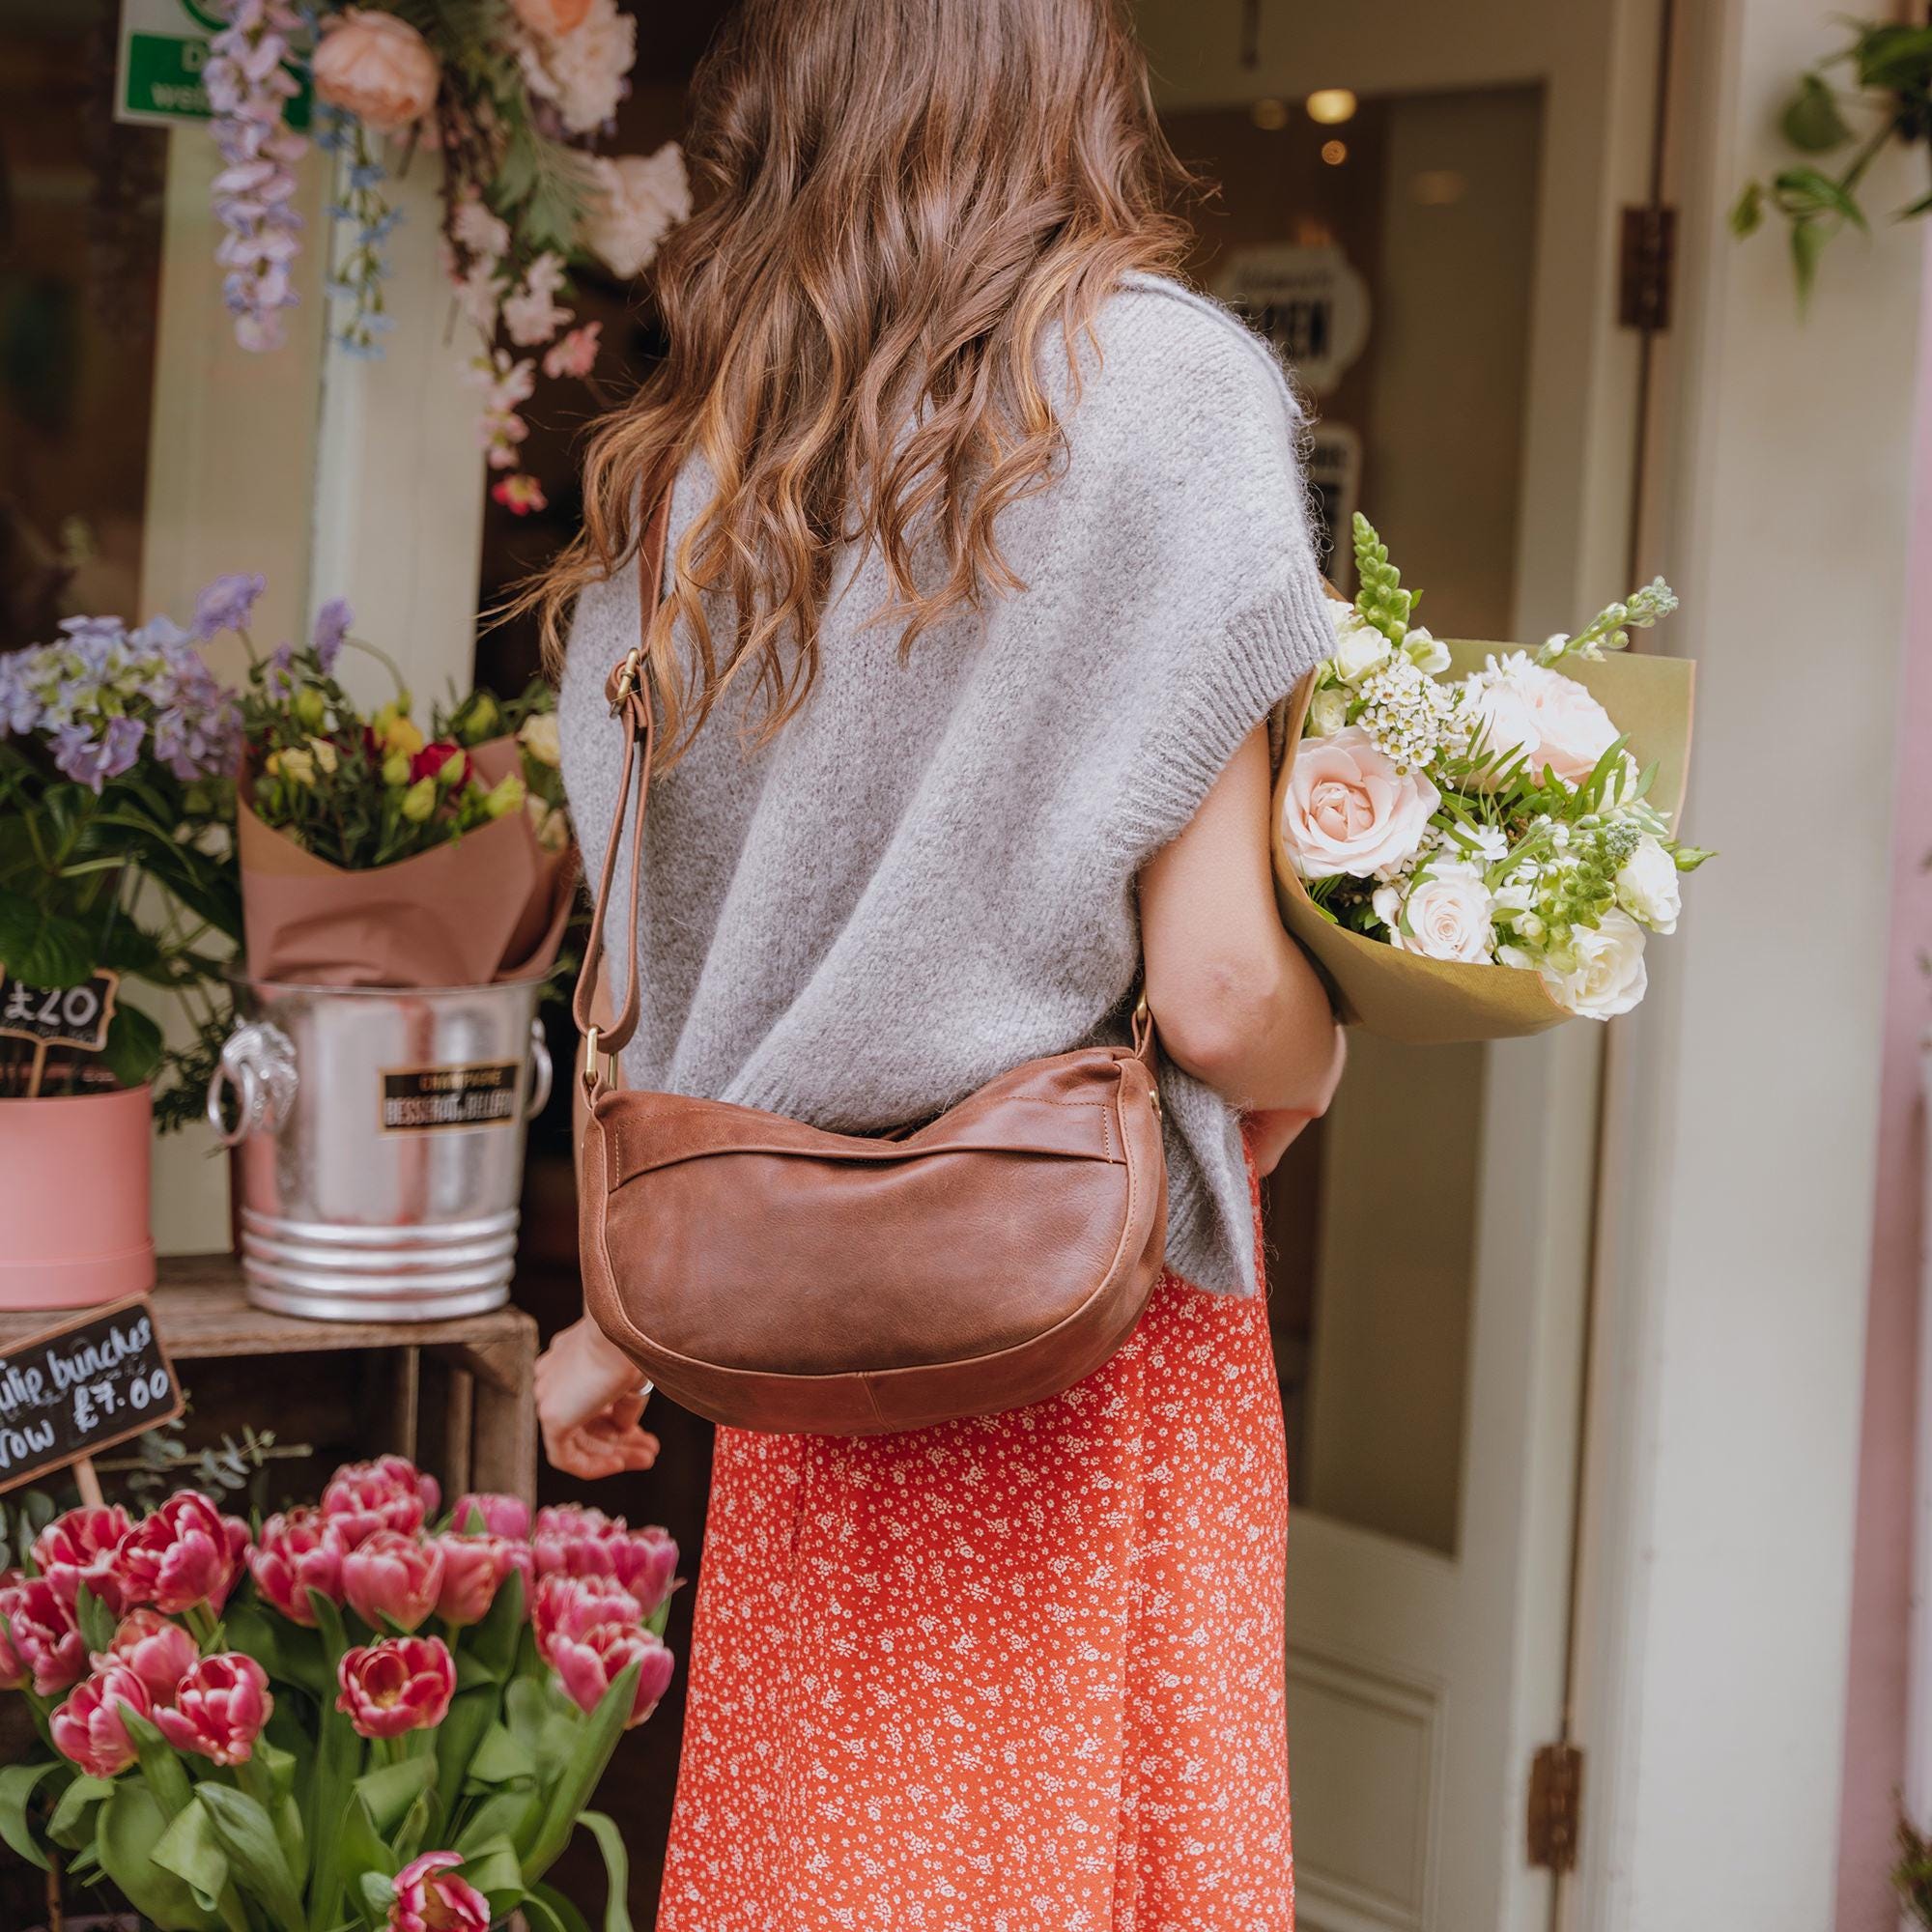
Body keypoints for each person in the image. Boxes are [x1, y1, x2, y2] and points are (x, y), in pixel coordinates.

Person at [531, 1, 1345, 1923]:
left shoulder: (712, 452)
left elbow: (678, 962)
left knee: (827, 1866)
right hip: (1081, 1329)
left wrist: (619, 1311)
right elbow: (1223, 989)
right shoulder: (1164, 390)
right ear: (1061, 85)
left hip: (795, 1343)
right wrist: (1324, 1053)